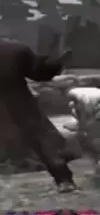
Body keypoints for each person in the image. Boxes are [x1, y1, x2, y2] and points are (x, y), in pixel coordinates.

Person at [0, 37, 78, 192]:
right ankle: (63, 179)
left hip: (16, 103)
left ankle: (63, 178)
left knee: (40, 138)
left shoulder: (15, 49)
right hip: (17, 103)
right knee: (40, 138)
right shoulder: (15, 49)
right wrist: (58, 62)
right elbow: (40, 73)